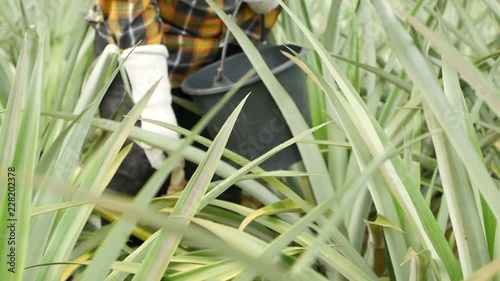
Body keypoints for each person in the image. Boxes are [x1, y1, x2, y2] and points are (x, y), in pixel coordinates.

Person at [86, 0, 282, 201]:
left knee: (217, 176)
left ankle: (205, 229)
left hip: (221, 55)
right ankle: (121, 229)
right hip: (135, 45)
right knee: (135, 168)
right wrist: (154, 104)